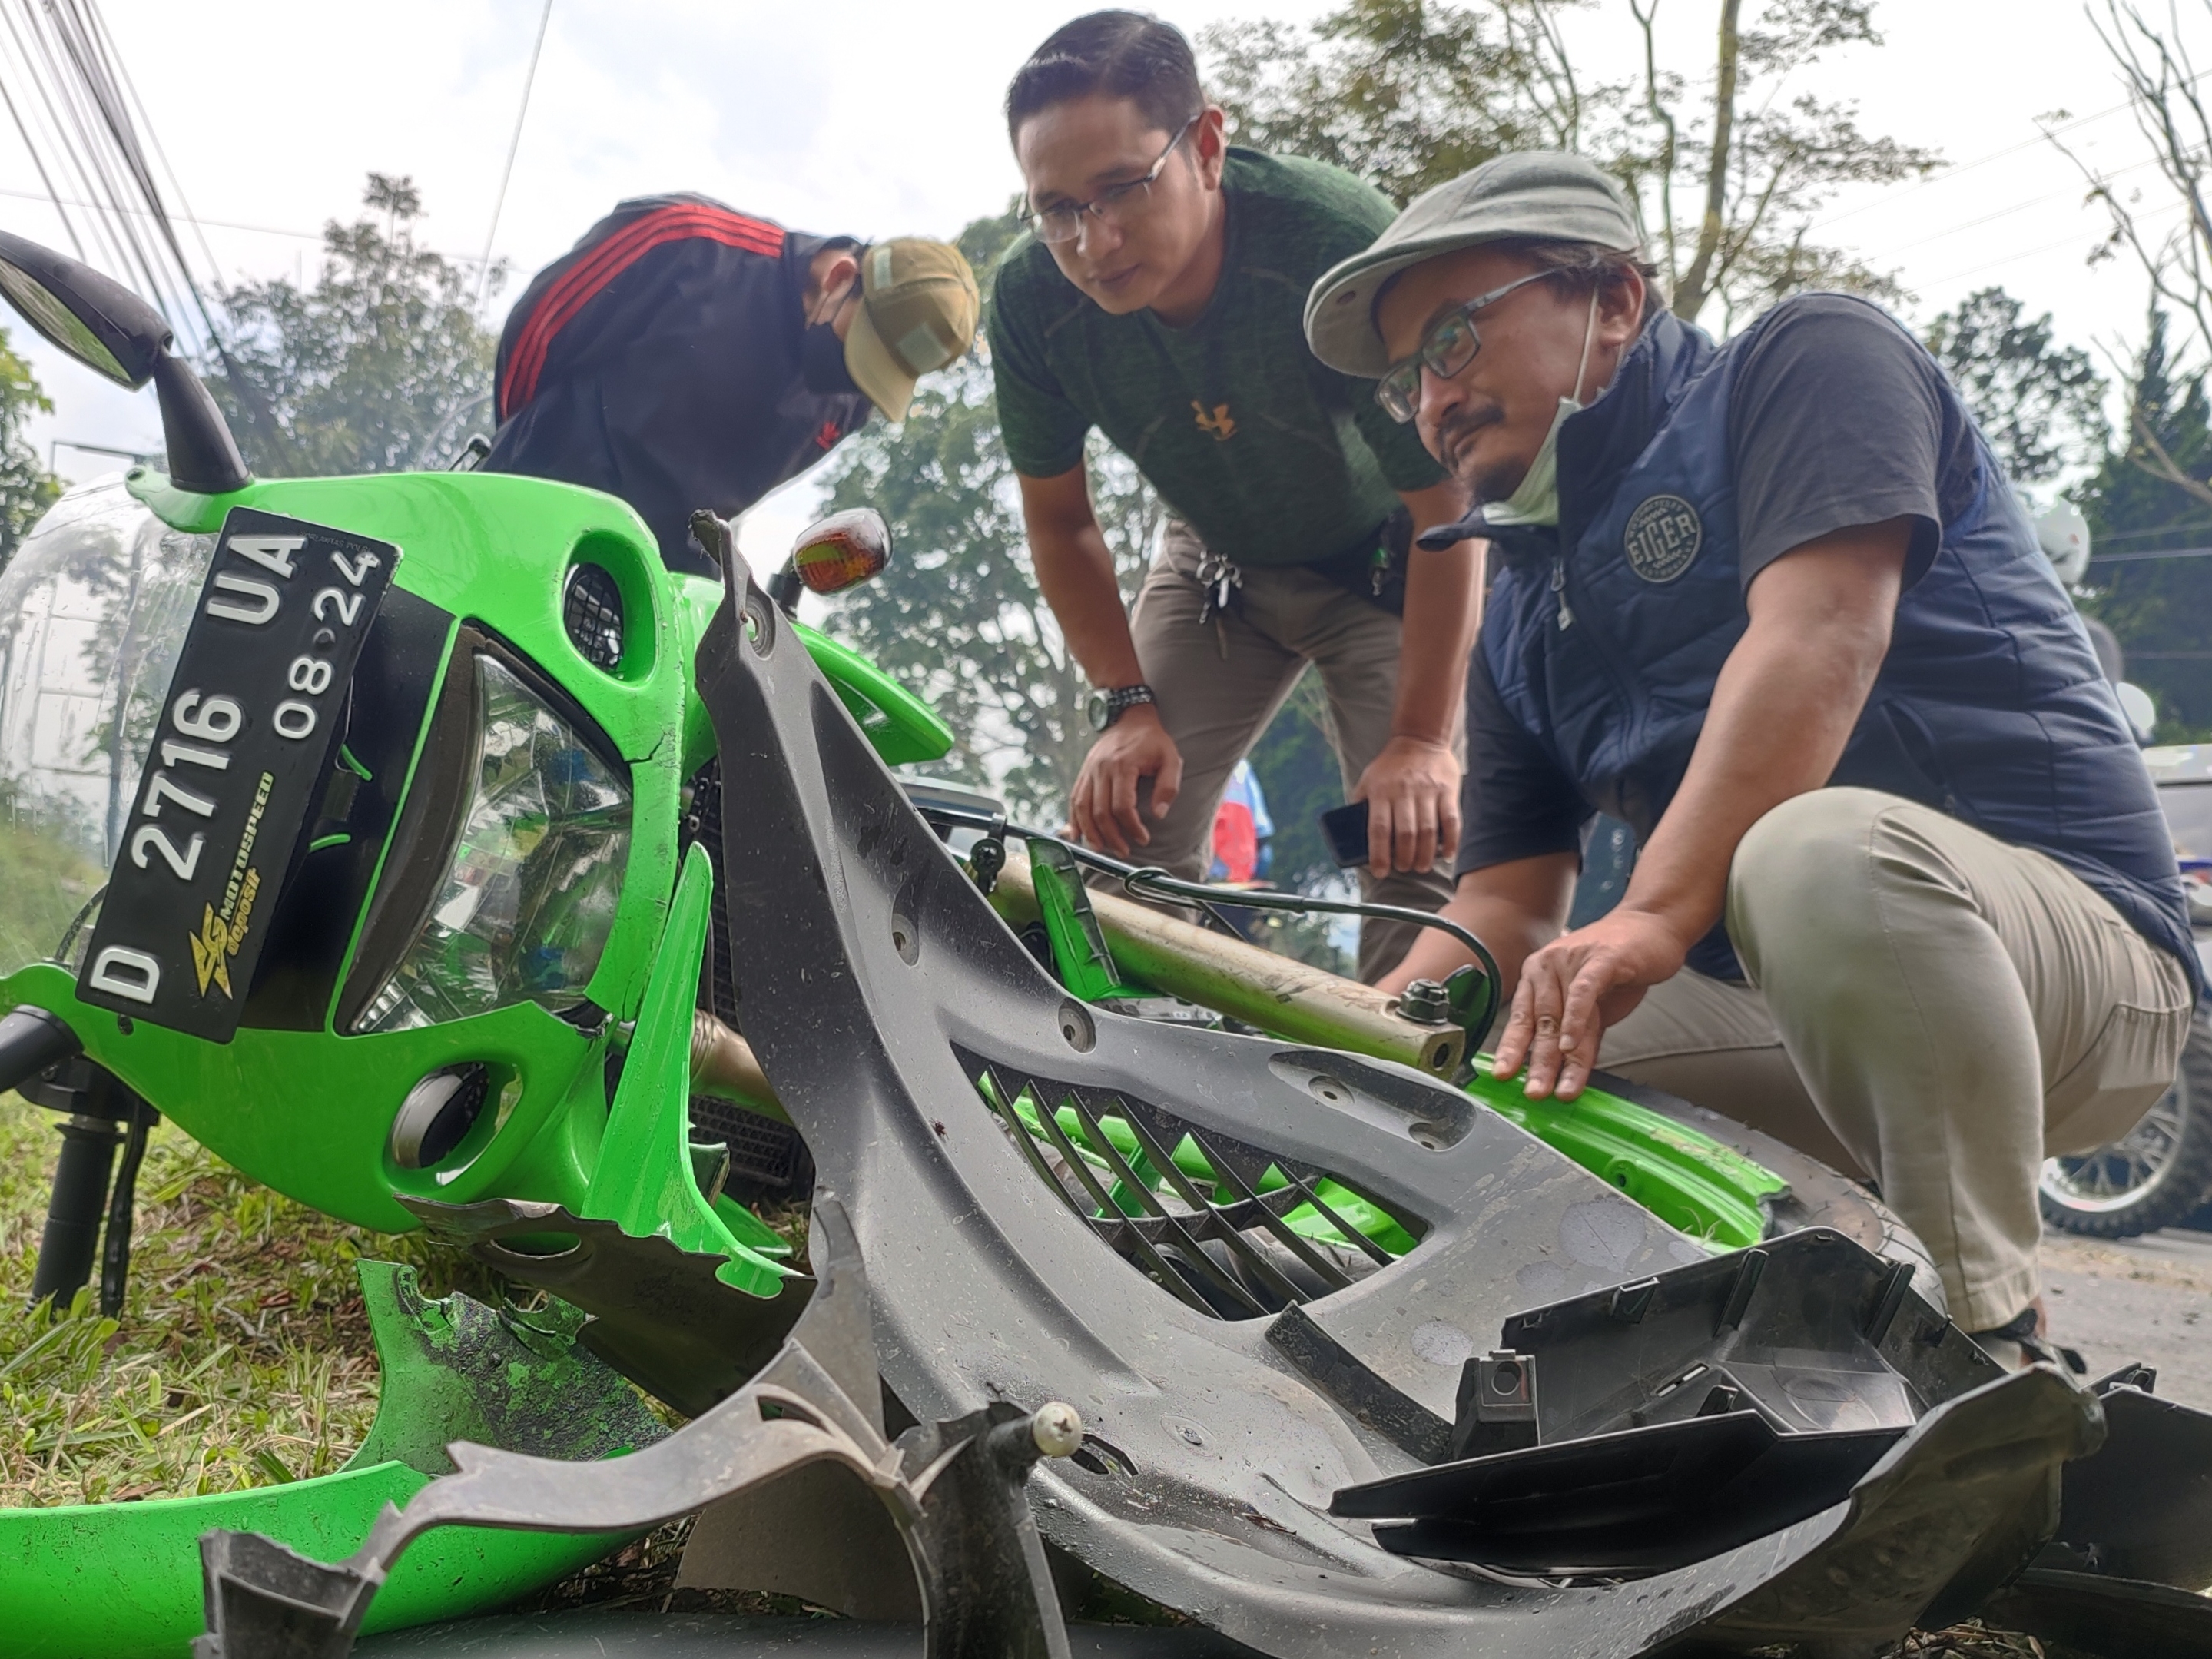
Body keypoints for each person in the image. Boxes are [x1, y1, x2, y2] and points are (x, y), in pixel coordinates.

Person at [1304, 151, 2197, 1360]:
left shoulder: (1806, 361)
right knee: (1493, 1077)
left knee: (1812, 852)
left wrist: (1655, 909)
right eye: (1407, 376)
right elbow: (1503, 901)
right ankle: (1678, 1410)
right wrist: (1343, 1044)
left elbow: (1818, 633)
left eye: (1452, 339)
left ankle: (1984, 1349)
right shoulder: (1514, 595)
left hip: (2073, 962)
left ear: (1612, 300)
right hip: (1798, 998)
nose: (1428, 399)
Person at [990, 12, 1477, 981]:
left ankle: (1400, 1100)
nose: (1094, 239)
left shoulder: (1335, 244)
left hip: (1389, 563)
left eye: (1122, 186)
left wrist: (1422, 739)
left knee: (1409, 843)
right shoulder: (1032, 304)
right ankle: (1134, 1079)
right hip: (1215, 563)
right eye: (1056, 209)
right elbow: (1060, 519)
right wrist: (1126, 702)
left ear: (1205, 145)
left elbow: (1446, 508)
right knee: (1117, 831)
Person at [485, 194, 980, 576]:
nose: (852, 384)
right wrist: (529, 451)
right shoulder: (691, 246)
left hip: (656, 582)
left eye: (875, 373)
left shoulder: (856, 398)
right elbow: (536, 337)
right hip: (530, 512)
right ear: (841, 277)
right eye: (861, 351)